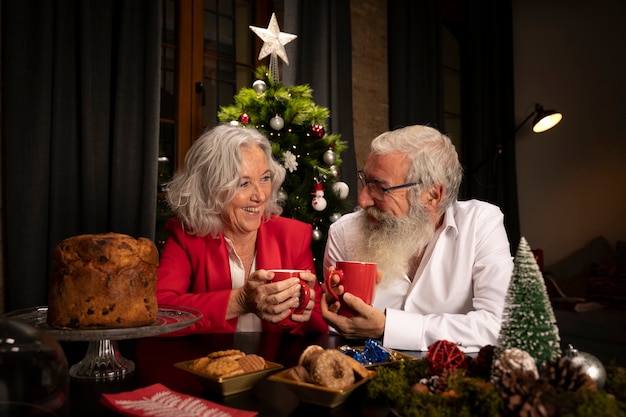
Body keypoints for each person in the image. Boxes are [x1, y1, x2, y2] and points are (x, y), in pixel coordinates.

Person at [322, 124, 513, 352]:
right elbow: (337, 327)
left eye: (380, 188)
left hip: (453, 382)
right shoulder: (343, 232)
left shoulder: (481, 224)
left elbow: (499, 326)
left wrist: (388, 327)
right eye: (366, 181)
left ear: (432, 195)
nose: (363, 200)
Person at [157, 124, 328, 335]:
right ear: (210, 189)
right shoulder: (186, 236)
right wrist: (239, 301)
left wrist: (299, 311)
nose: (260, 196)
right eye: (243, 184)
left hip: (276, 366)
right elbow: (160, 312)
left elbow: (318, 324)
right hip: (207, 365)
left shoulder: (292, 236)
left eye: (265, 179)